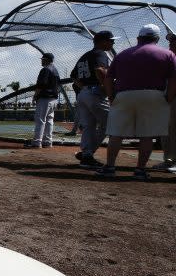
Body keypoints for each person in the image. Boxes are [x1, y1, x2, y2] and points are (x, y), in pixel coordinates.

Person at [97, 24, 176, 180]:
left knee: (116, 133)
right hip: (154, 95)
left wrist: (112, 97)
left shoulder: (122, 54)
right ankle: (140, 170)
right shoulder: (167, 54)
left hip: (124, 94)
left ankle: (110, 167)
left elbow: (108, 78)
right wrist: (168, 98)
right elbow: (173, 79)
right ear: (157, 39)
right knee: (147, 135)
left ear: (138, 38)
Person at [70, 30, 117, 168]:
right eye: (110, 40)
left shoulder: (85, 55)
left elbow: (73, 76)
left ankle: (86, 155)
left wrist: (84, 86)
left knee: (88, 126)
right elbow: (100, 70)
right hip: (95, 93)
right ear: (102, 41)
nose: (113, 43)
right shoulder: (100, 53)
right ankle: (88, 153)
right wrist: (107, 89)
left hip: (84, 93)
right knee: (110, 123)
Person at [153, 31, 176, 173]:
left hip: (173, 98)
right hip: (168, 98)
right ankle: (169, 160)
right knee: (166, 130)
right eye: (170, 42)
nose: (170, 44)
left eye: (173, 42)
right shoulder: (169, 59)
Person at [25, 52, 60, 148]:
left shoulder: (45, 69)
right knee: (49, 120)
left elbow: (41, 85)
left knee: (40, 119)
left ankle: (37, 142)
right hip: (53, 99)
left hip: (45, 98)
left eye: (43, 59)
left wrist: (35, 96)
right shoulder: (56, 70)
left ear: (47, 60)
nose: (42, 61)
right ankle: (47, 142)